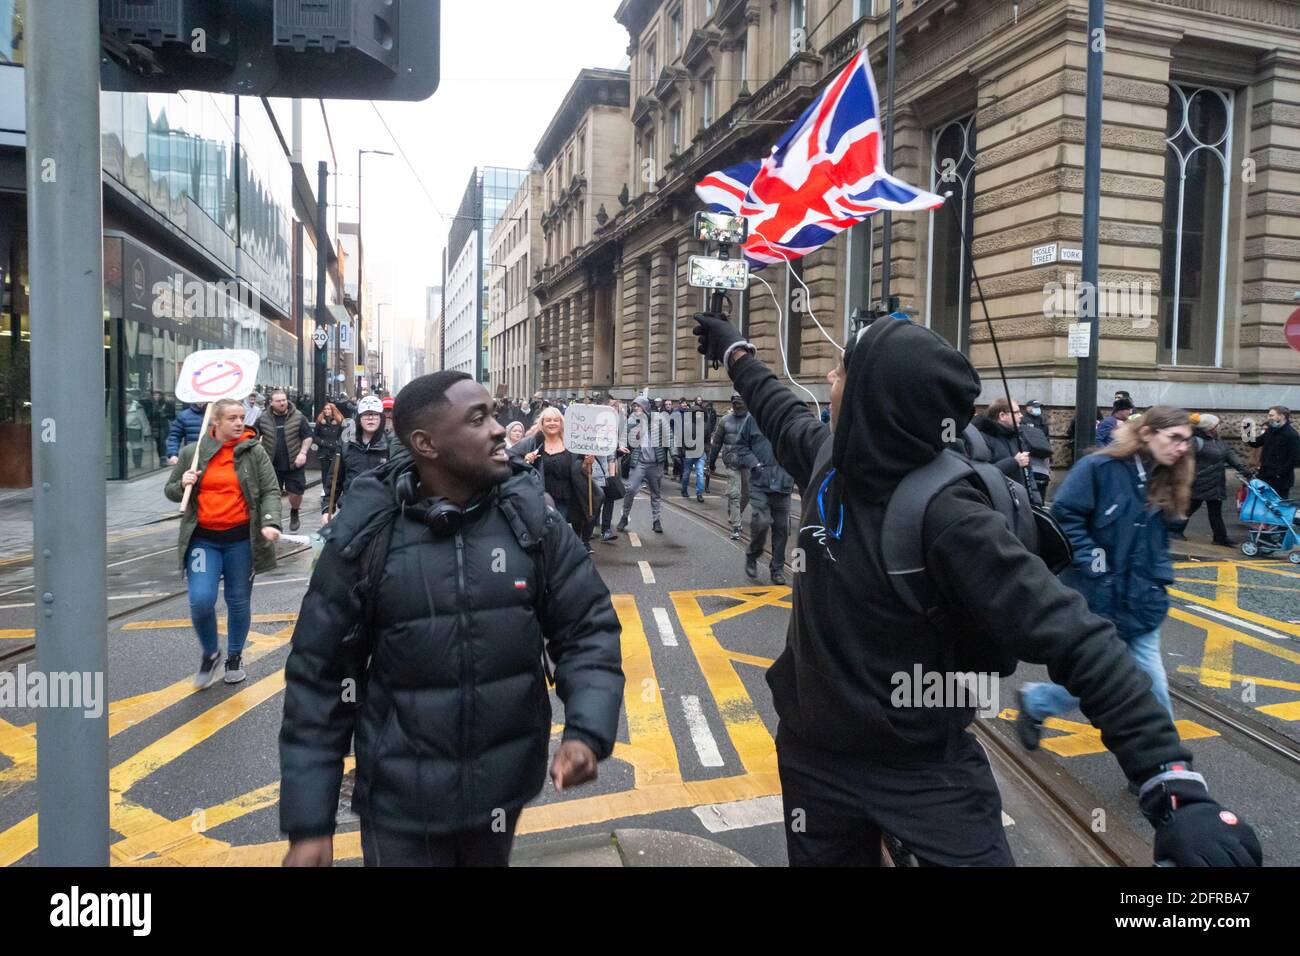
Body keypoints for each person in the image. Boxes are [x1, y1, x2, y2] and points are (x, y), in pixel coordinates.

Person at [691, 310, 1261, 867]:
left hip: (924, 772)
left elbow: (1079, 639)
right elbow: (776, 406)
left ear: (872, 394)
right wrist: (735, 350)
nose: (829, 379)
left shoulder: (950, 518)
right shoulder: (825, 458)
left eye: (843, 370)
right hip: (812, 759)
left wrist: (1172, 784)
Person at [279, 370, 624, 867]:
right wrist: (309, 825)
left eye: (495, 414)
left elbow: (587, 628)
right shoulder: (366, 537)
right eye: (478, 418)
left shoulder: (533, 521)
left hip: (501, 794)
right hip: (399, 805)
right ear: (426, 443)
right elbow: (321, 680)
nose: (498, 429)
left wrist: (588, 731)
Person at [1019, 406, 1194, 768]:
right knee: (1104, 677)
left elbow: (1157, 540)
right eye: (1174, 438)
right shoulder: (1099, 468)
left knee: (1146, 683)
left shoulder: (1167, 477)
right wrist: (1095, 563)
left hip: (1142, 603)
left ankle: (1160, 765)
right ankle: (1162, 763)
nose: (1181, 448)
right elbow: (1066, 516)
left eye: (1186, 442)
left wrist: (1157, 576)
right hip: (1097, 599)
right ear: (1147, 433)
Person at [164, 398, 282, 689]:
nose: (240, 422)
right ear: (215, 422)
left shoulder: (254, 453)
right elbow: (170, 492)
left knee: (238, 601)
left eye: (242, 416)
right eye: (232, 417)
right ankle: (211, 652)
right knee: (201, 600)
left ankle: (234, 657)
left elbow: (270, 490)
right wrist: (183, 483)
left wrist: (270, 521)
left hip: (240, 540)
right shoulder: (194, 453)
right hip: (203, 540)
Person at [516, 407, 599, 551]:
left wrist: (587, 463)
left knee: (555, 531)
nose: (552, 423)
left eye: (556, 420)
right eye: (548, 420)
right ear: (542, 423)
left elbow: (584, 470)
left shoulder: (572, 443)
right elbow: (511, 458)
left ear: (561, 423)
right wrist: (526, 459)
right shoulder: (533, 442)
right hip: (540, 497)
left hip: (566, 498)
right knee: (546, 534)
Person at [735, 395, 793, 585]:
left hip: (783, 483)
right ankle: (753, 554)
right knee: (761, 522)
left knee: (782, 529)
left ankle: (777, 569)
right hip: (760, 482)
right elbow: (741, 446)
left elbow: (802, 448)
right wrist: (754, 464)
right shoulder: (753, 419)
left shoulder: (790, 419)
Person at [1171, 414, 1248, 546]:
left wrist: (1242, 468)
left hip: (1216, 482)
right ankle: (1174, 530)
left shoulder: (1217, 440)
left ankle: (1220, 537)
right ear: (1209, 428)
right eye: (1217, 425)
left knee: (1214, 511)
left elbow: (1229, 454)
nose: (1220, 427)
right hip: (1199, 482)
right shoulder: (1194, 441)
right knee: (1190, 508)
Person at [319, 396, 392, 521]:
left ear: (381, 418)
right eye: (366, 414)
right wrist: (327, 508)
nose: (370, 418)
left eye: (375, 415)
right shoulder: (347, 444)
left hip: (380, 511)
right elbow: (335, 477)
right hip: (350, 508)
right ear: (359, 418)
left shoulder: (390, 444)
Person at [255, 389, 316, 532]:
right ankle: (275, 522)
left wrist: (303, 453)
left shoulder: (298, 417)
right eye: (278, 401)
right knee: (272, 495)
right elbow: (253, 436)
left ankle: (294, 511)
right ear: (271, 402)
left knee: (296, 493)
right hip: (271, 465)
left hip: (294, 463)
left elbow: (308, 436)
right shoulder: (263, 419)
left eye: (284, 400)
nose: (282, 403)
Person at [617, 396, 667, 535]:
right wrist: (621, 446)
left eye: (638, 406)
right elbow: (623, 436)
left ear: (645, 407)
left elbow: (670, 436)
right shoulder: (632, 420)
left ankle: (656, 521)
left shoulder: (658, 420)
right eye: (634, 406)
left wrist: (675, 454)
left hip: (655, 464)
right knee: (631, 489)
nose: (635, 409)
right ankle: (624, 517)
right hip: (639, 462)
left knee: (656, 493)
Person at [709, 394, 751, 540]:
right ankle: (736, 526)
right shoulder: (725, 421)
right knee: (734, 493)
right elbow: (716, 443)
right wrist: (711, 462)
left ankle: (735, 514)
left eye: (740, 403)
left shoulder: (752, 420)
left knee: (747, 492)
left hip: (748, 463)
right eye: (735, 403)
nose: (737, 406)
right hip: (731, 462)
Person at [1247, 405, 1300, 499]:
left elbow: (1295, 459)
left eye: (1271, 415)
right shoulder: (1271, 431)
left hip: (1280, 481)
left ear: (1281, 416)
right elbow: (1255, 443)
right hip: (1265, 477)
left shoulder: (1291, 435)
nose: (1268, 418)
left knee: (1278, 508)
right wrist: (1247, 433)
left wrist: (1279, 473)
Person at [598, 397, 627, 543]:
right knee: (595, 501)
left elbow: (611, 455)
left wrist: (612, 474)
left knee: (609, 500)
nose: (616, 410)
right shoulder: (593, 426)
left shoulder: (612, 428)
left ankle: (606, 530)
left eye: (617, 408)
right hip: (593, 472)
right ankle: (590, 528)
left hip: (607, 470)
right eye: (613, 407)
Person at [314, 403, 352, 512]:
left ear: (333, 410)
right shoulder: (320, 422)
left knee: (334, 471)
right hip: (324, 450)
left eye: (328, 409)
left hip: (335, 450)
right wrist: (322, 442)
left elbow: (343, 435)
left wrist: (337, 444)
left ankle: (332, 492)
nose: (326, 411)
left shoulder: (340, 422)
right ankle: (325, 490)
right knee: (325, 471)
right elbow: (315, 436)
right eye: (325, 409)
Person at [1021, 400, 1053, 503]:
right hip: (1030, 456)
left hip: (1042, 457)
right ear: (1028, 408)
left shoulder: (1042, 421)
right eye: (1035, 407)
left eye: (1038, 407)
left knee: (1042, 482)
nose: (1038, 409)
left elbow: (1046, 439)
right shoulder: (1024, 421)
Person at [679, 402, 707, 503]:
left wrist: (706, 451)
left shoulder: (705, 425)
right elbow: (682, 439)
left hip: (700, 453)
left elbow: (707, 440)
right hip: (689, 453)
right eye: (696, 413)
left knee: (700, 473)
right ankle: (684, 489)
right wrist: (682, 451)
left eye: (700, 413)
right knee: (686, 473)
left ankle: (699, 493)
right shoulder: (687, 425)